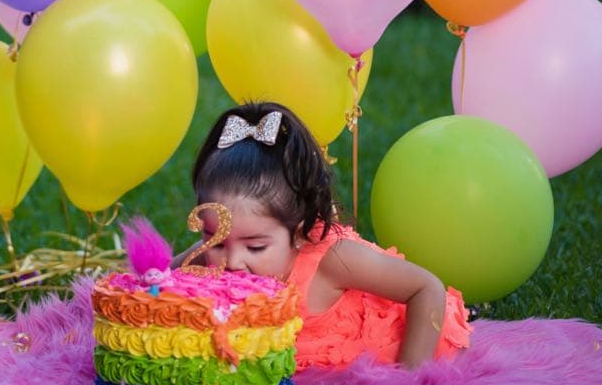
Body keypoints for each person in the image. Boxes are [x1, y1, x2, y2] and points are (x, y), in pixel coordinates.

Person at [172, 102, 471, 370]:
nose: (233, 261)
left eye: (256, 247)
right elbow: (156, 278)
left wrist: (409, 381)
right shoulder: (212, 255)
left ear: (299, 232)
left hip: (403, 338)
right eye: (217, 240)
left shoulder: (334, 261)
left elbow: (426, 288)